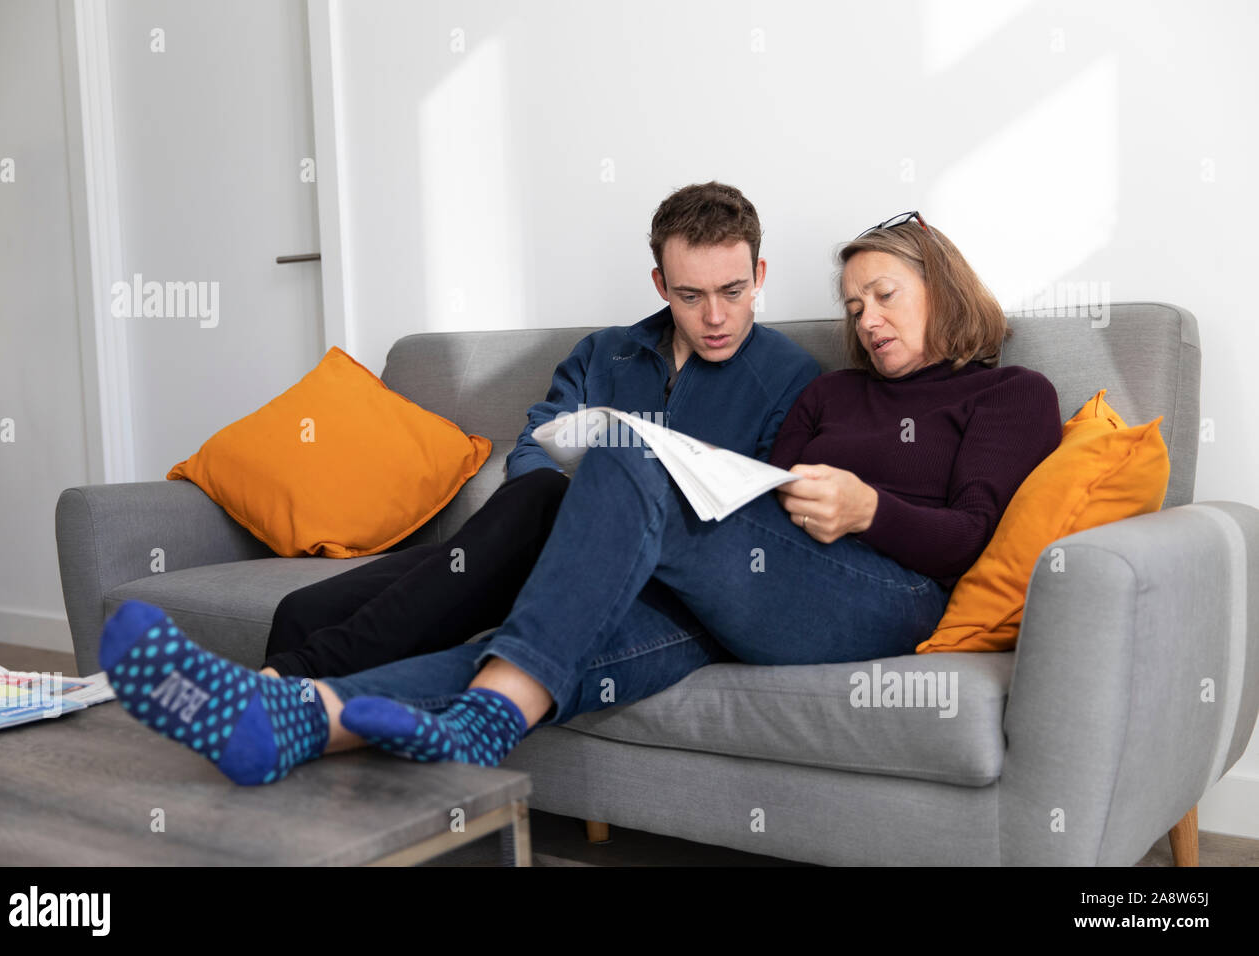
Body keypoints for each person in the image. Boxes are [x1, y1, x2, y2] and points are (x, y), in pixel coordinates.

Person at [99, 210, 1063, 785]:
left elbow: (972, 541)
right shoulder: (829, 392)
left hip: (879, 598)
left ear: (940, 285)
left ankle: (450, 715)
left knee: (623, 457)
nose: (868, 318)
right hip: (751, 591)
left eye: (886, 294)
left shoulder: (1007, 394)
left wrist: (866, 510)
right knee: (541, 642)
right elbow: (760, 492)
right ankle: (293, 717)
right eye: (855, 304)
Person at [257, 181, 820, 680]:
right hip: (532, 540)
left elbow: (762, 519)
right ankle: (288, 766)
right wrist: (577, 510)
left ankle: (287, 686)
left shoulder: (790, 377)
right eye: (690, 296)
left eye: (733, 291)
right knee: (301, 611)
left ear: (759, 276)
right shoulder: (606, 354)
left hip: (646, 574)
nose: (715, 317)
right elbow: (533, 449)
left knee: (544, 501)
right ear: (660, 284)